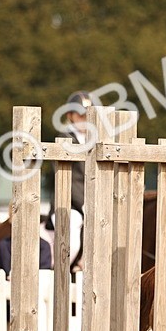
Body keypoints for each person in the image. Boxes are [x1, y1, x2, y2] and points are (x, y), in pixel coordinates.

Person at [50, 90, 91, 269]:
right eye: (80, 115)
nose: (84, 119)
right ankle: (55, 267)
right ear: (70, 115)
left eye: (87, 115)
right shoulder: (64, 138)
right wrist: (84, 204)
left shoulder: (95, 139)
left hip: (91, 201)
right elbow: (71, 179)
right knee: (73, 231)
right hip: (68, 203)